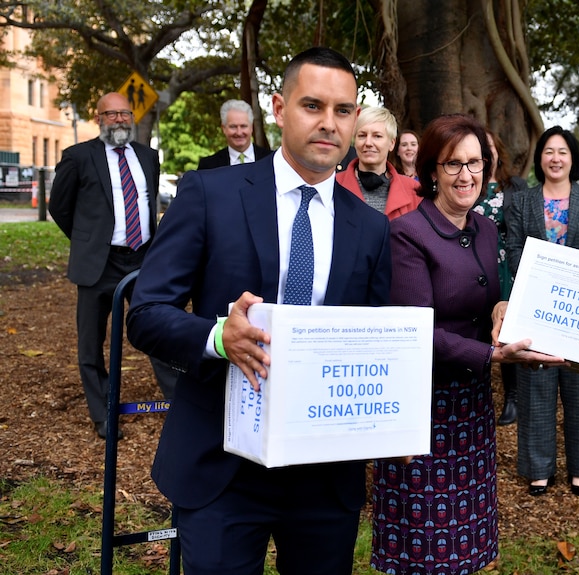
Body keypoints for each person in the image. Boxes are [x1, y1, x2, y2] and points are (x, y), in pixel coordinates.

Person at [126, 47, 392, 575]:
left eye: (344, 111)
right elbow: (146, 312)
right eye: (312, 105)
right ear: (278, 107)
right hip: (221, 464)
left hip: (323, 473)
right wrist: (219, 337)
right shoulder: (208, 194)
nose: (329, 123)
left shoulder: (370, 227)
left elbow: (376, 341)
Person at [370, 113, 564, 575]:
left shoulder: (486, 230)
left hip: (471, 406)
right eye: (453, 164)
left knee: (467, 535)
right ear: (432, 170)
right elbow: (415, 330)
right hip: (423, 406)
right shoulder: (407, 234)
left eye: (475, 163)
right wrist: (493, 355)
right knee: (423, 544)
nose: (466, 175)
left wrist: (502, 308)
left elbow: (487, 298)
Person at [48, 91, 176, 440]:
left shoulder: (148, 156)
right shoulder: (78, 156)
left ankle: (178, 404)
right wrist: (88, 241)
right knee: (91, 343)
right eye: (111, 114)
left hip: (142, 260)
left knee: (159, 330)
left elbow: (148, 205)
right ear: (99, 118)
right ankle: (103, 413)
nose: (119, 120)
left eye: (125, 113)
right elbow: (60, 208)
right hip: (98, 265)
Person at [506, 126, 579, 497]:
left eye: (562, 151)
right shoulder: (521, 201)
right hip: (536, 303)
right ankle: (539, 469)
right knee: (536, 384)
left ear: (572, 158)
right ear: (540, 159)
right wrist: (541, 280)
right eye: (549, 151)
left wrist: (576, 281)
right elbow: (514, 247)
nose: (555, 158)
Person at [472, 130, 526, 426]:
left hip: (507, 266)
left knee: (507, 330)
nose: (486, 153)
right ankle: (476, 393)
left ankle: (513, 398)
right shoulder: (470, 184)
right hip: (474, 264)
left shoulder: (514, 185)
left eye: (489, 147)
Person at [336, 106, 420, 220]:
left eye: (377, 136)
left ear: (391, 143)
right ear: (355, 141)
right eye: (362, 135)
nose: (368, 142)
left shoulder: (414, 190)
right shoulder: (333, 185)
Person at [197, 99, 271, 169]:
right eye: (233, 127)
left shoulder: (271, 160)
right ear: (223, 128)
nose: (239, 133)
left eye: (243, 126)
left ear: (251, 127)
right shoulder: (208, 166)